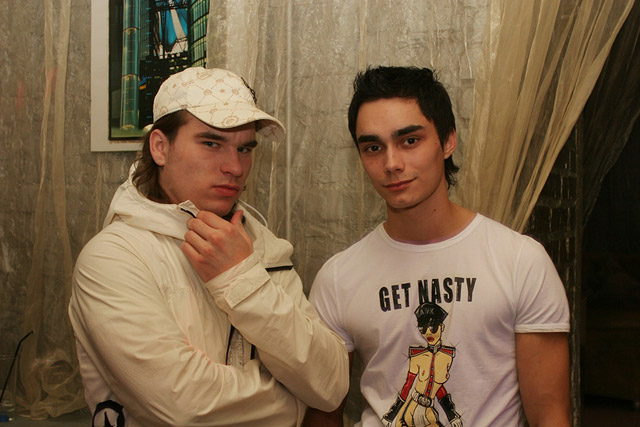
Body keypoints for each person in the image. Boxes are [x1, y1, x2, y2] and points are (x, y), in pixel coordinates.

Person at [68, 67, 349, 427]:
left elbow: (331, 385)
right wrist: (295, 401)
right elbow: (184, 409)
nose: (235, 167)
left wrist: (242, 278)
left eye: (244, 148)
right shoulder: (114, 257)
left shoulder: (259, 243)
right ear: (160, 147)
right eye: (211, 144)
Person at [304, 66, 570, 427]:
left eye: (410, 141)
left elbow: (550, 415)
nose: (391, 164)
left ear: (447, 141)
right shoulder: (338, 277)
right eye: (373, 147)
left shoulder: (520, 261)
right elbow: (323, 412)